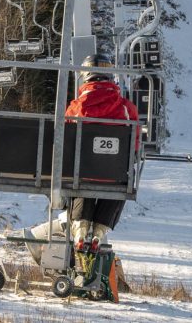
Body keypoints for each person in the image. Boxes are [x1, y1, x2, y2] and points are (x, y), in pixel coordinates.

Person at [65, 53, 139, 252]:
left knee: (81, 177)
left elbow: (66, 142)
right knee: (118, 179)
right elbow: (135, 145)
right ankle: (99, 230)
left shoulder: (75, 109)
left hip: (82, 174)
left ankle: (80, 227)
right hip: (114, 176)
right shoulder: (126, 109)